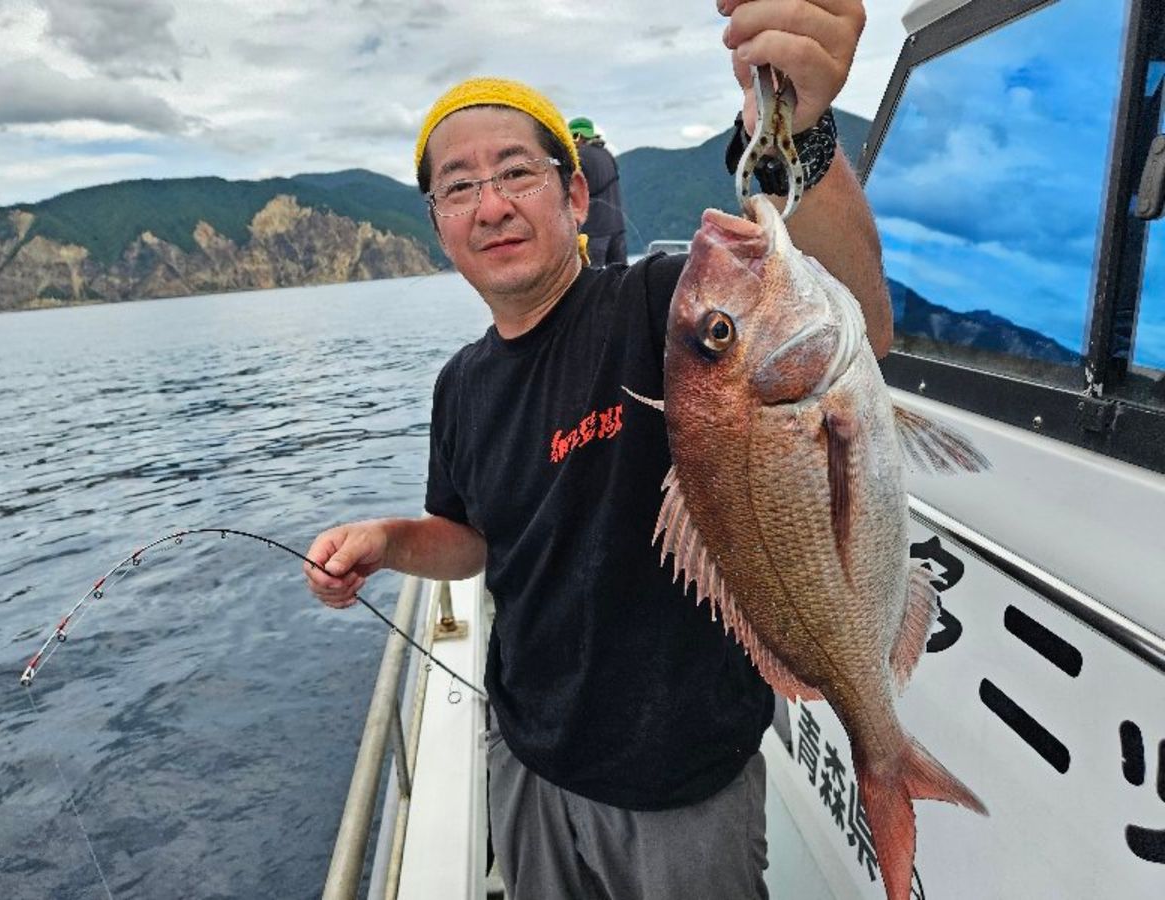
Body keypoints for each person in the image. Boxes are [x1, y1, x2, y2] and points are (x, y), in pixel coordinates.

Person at [305, 2, 888, 897]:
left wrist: (801, 130)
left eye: (514, 173)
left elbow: (857, 322)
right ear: (438, 223)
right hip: (529, 758)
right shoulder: (459, 385)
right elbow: (473, 537)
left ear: (575, 195)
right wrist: (388, 542)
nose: (490, 204)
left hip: (682, 781)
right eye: (458, 187)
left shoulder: (663, 308)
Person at [568, 115, 628, 266]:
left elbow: (569, 189)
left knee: (591, 279)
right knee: (621, 278)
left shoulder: (579, 156)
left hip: (594, 230)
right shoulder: (607, 154)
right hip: (617, 227)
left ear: (578, 136)